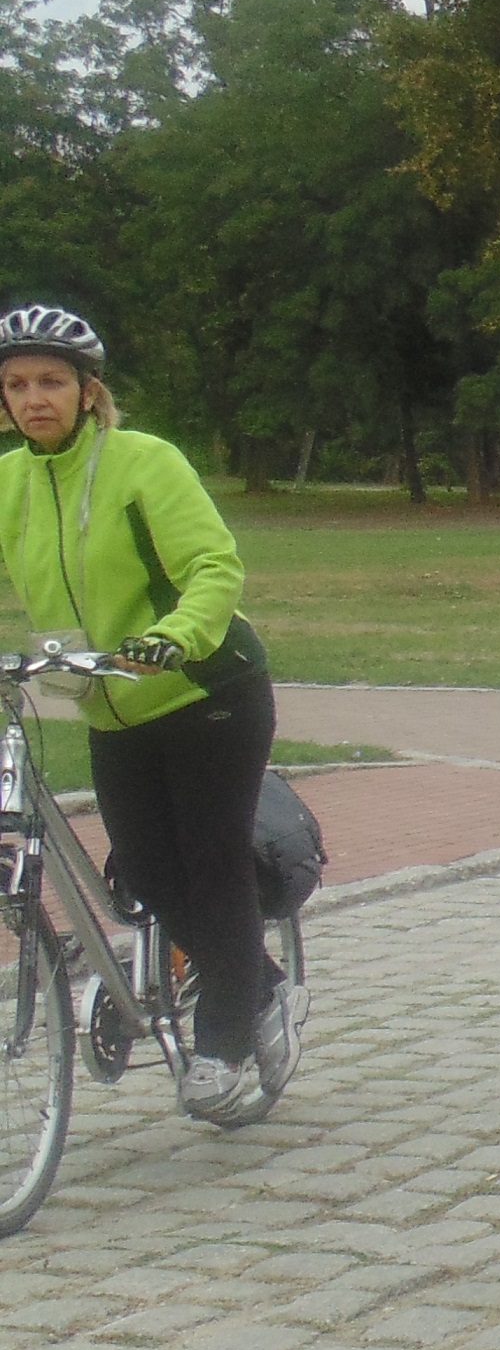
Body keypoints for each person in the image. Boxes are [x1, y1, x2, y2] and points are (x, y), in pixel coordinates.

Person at [0, 305, 294, 1126]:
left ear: (88, 392)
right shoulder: (8, 482)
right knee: (148, 875)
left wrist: (173, 637)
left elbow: (212, 564)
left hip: (206, 693)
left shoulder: (141, 462)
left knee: (208, 861)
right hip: (112, 711)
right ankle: (261, 985)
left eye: (52, 382)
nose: (35, 398)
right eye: (17, 385)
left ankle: (223, 1040)